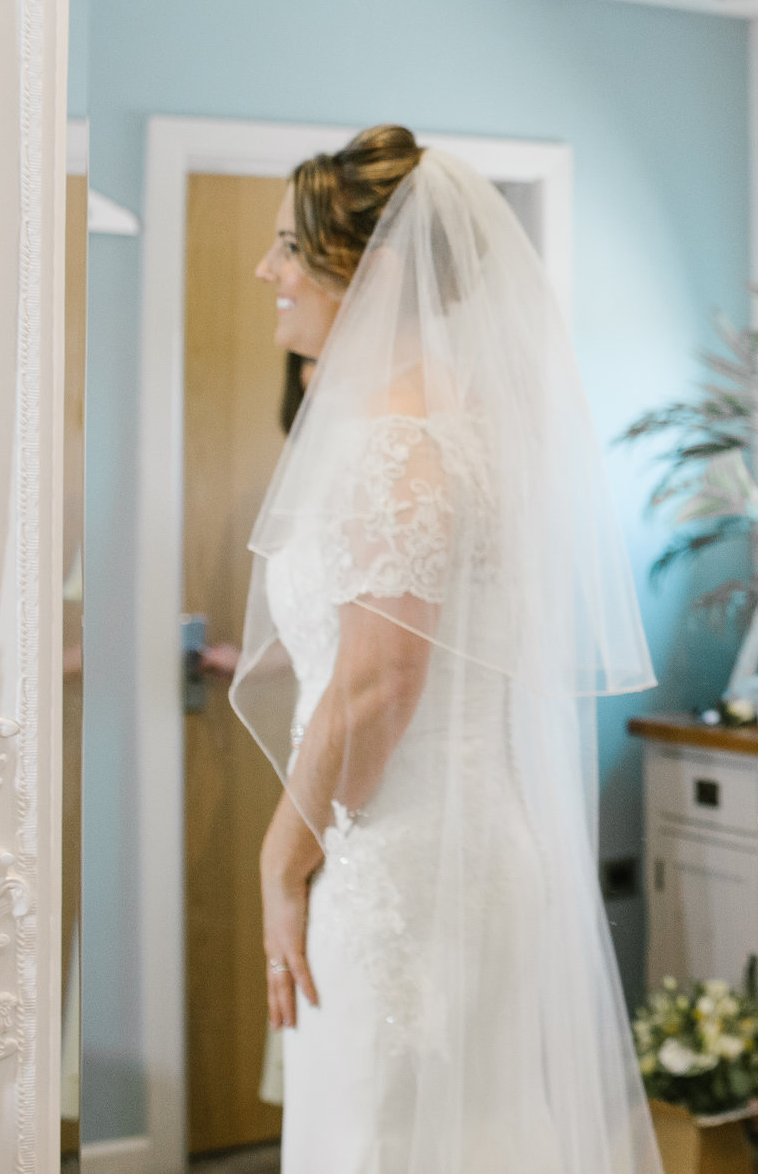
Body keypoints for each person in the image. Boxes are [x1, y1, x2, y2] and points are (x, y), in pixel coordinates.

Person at [232, 125, 659, 1174]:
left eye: (291, 245)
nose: (268, 270)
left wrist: (281, 860)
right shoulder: (465, 429)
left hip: (401, 862)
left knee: (377, 1141)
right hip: (466, 848)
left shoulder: (397, 441)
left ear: (367, 271)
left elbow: (380, 682)